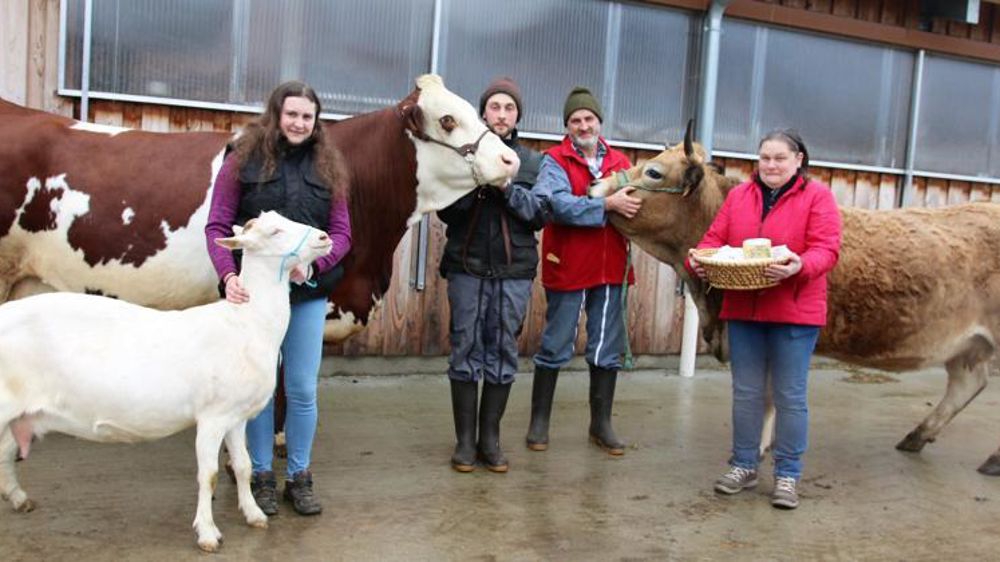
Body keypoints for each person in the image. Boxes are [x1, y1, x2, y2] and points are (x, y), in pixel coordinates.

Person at [205, 80, 352, 516]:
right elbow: (217, 226)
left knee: (302, 389)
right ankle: (261, 476)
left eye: (307, 116)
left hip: (305, 294)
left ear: (315, 120)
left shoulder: (329, 165)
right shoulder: (242, 158)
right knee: (259, 390)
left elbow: (342, 234)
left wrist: (315, 268)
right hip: (251, 300)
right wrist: (228, 274)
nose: (299, 123)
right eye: (292, 114)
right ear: (276, 114)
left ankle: (300, 477)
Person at [687, 129, 841, 509]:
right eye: (764, 158)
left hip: (794, 313)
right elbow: (712, 240)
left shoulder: (818, 197)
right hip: (744, 310)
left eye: (779, 158)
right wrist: (701, 260)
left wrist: (800, 266)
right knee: (747, 394)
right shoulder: (740, 196)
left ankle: (787, 474)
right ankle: (744, 465)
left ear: (798, 160)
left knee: (790, 397)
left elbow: (827, 250)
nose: (771, 165)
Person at [438, 76, 547, 473]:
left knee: (503, 351)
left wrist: (507, 187)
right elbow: (446, 211)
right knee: (464, 345)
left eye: (509, 108)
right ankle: (465, 443)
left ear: (518, 115)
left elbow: (540, 213)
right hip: (467, 267)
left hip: (513, 271)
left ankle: (490, 440)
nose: (501, 114)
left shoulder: (534, 161)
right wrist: (477, 180)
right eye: (495, 107)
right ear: (483, 112)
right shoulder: (462, 154)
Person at [526, 86, 642, 456]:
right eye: (575, 120)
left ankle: (601, 424)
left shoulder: (621, 163)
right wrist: (606, 204)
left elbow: (639, 203)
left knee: (607, 345)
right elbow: (555, 204)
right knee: (557, 342)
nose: (583, 125)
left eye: (588, 118)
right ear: (567, 126)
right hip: (571, 265)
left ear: (598, 121)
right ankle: (539, 422)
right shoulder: (554, 161)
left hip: (611, 268)